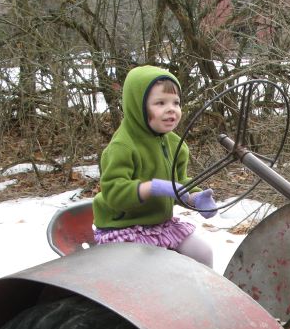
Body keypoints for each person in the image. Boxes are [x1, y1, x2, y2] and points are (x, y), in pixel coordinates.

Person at [92, 65, 217, 267]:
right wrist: (153, 187)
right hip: (124, 227)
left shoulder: (176, 144)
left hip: (160, 225)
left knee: (202, 252)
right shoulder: (122, 146)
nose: (171, 109)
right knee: (154, 268)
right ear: (138, 107)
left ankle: (202, 296)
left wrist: (195, 197)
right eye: (160, 103)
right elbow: (114, 193)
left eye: (176, 103)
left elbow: (179, 183)